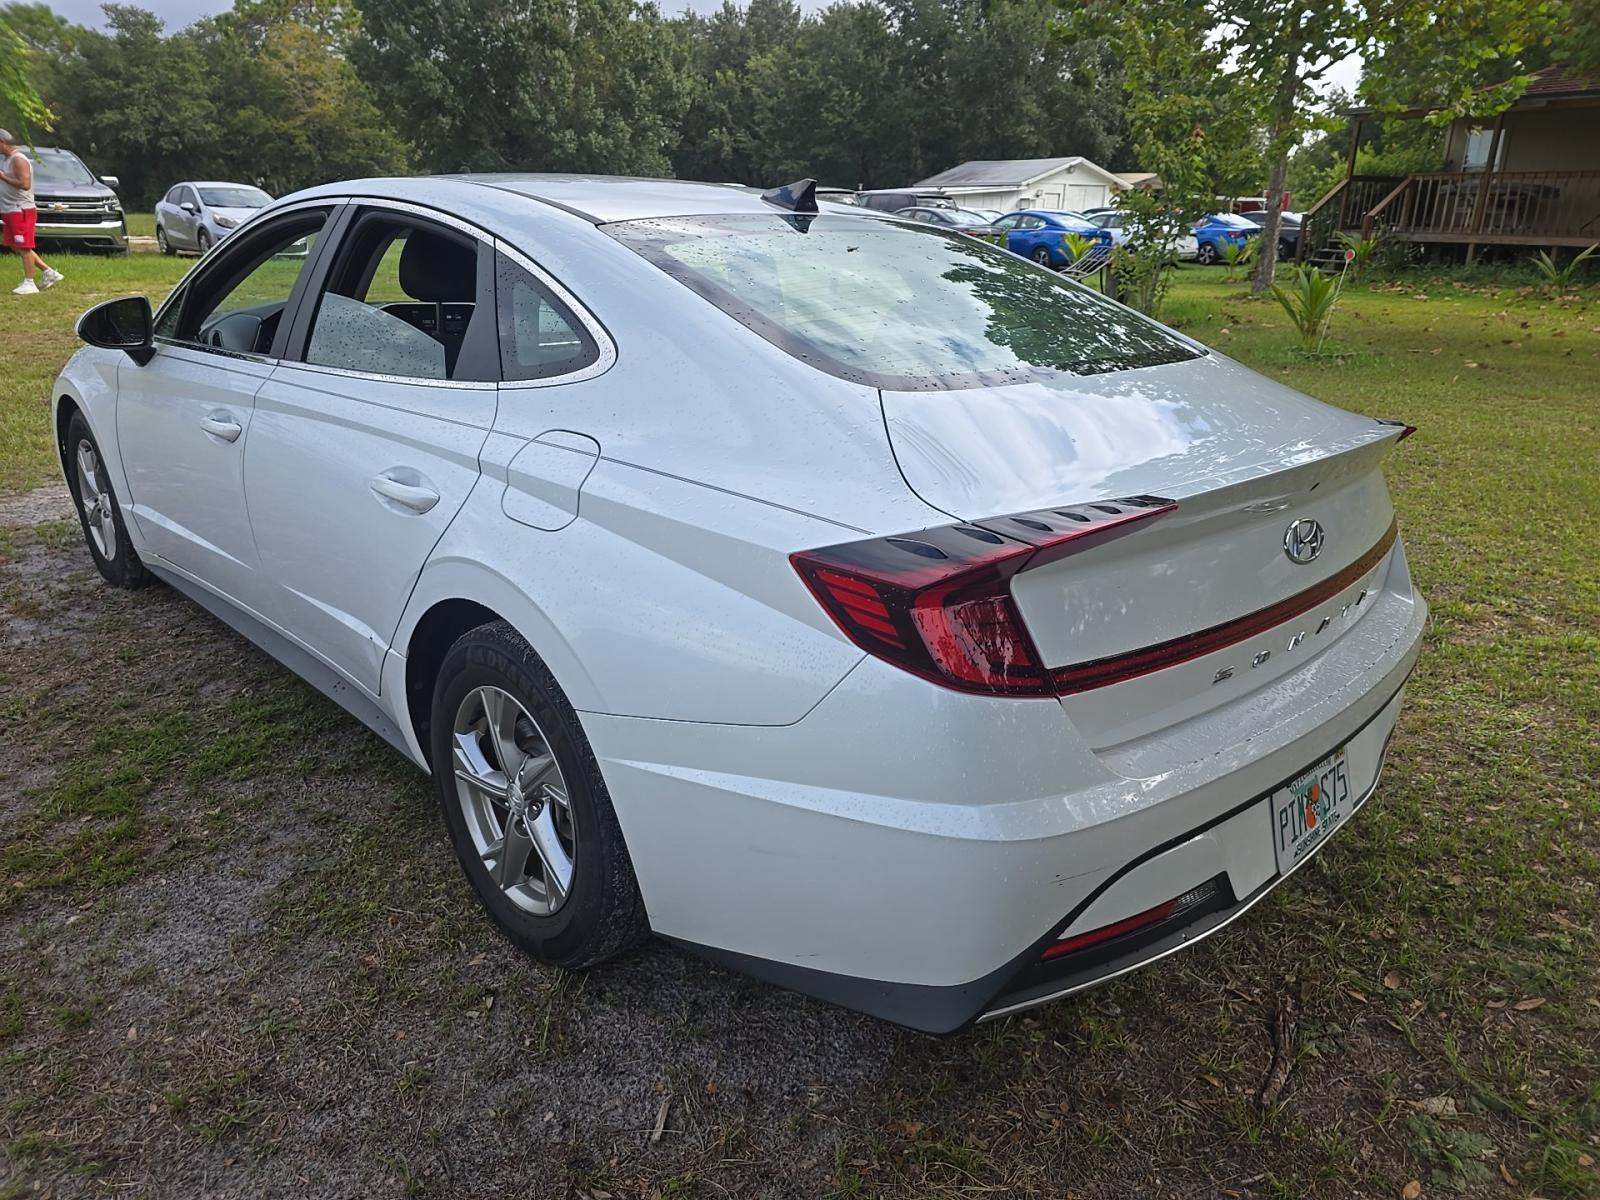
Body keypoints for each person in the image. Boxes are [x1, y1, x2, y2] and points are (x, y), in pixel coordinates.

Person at [0, 130, 63, 295]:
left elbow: (25, 184)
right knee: (14, 245)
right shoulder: (7, 159)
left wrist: (2, 177)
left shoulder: (18, 159)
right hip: (9, 209)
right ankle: (49, 272)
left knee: (24, 246)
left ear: (2, 142)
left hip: (21, 209)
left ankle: (29, 283)